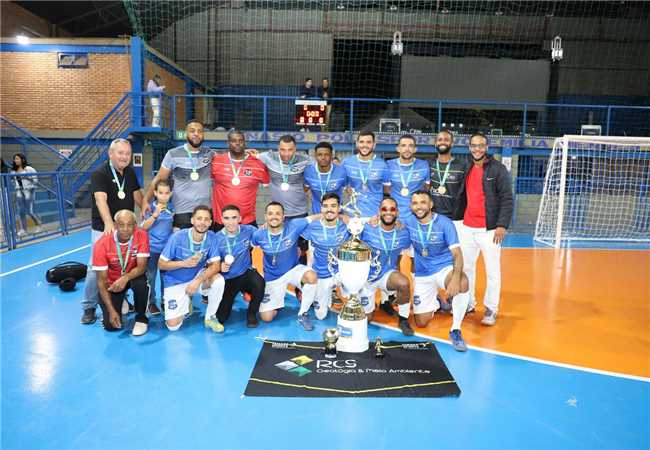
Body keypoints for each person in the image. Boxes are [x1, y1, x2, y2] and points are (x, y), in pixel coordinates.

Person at [81, 138, 143, 325]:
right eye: (120, 153)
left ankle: (120, 298)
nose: (124, 157)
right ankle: (89, 306)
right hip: (104, 230)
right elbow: (101, 200)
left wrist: (148, 209)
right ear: (111, 154)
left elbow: (136, 195)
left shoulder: (130, 173)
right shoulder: (100, 173)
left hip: (127, 229)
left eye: (127, 154)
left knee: (123, 265)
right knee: (95, 268)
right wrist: (109, 223)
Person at [457, 132, 513, 325]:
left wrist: (502, 225)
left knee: (492, 271)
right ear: (469, 147)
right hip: (467, 227)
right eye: (474, 145)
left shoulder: (498, 169)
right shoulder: (466, 166)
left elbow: (507, 198)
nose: (477, 149)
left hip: (489, 229)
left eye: (481, 145)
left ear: (487, 147)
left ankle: (491, 309)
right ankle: (468, 303)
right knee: (466, 268)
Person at [405, 190, 471, 352]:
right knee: (421, 322)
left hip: (443, 268)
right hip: (423, 274)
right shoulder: (408, 222)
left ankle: (455, 330)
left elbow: (457, 254)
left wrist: (455, 278)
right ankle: (437, 302)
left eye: (423, 202)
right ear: (410, 206)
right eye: (415, 203)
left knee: (462, 282)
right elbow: (389, 223)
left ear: (431, 205)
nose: (419, 207)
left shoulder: (445, 223)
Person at [251, 202, 319, 330]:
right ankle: (277, 304)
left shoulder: (293, 225)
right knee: (266, 318)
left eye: (278, 213)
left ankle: (303, 313)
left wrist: (341, 216)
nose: (274, 217)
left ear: (283, 216)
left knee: (311, 276)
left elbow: (314, 218)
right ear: (265, 216)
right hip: (273, 277)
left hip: (293, 270)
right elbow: (250, 247)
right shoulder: (258, 235)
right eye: (270, 214)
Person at [158, 205, 225, 332]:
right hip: (175, 280)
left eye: (206, 219)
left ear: (210, 222)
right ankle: (186, 303)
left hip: (196, 277)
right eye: (199, 218)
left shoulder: (212, 237)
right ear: (192, 220)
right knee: (173, 326)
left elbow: (216, 265)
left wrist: (198, 280)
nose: (203, 222)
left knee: (218, 280)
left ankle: (210, 317)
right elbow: (161, 264)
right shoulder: (177, 237)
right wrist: (184, 263)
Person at [142, 120, 214, 230]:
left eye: (200, 131)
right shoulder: (173, 154)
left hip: (204, 212)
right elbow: (159, 179)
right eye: (192, 131)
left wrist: (247, 154)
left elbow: (231, 158)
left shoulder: (210, 154)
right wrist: (145, 200)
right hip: (182, 212)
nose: (196, 134)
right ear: (186, 134)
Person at [360, 197, 413, 335]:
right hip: (366, 278)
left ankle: (403, 319)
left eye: (392, 209)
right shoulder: (367, 228)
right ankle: (369, 305)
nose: (388, 212)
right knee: (366, 320)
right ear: (379, 212)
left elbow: (404, 250)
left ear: (397, 213)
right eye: (384, 209)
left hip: (386, 274)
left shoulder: (403, 232)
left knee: (403, 282)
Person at [92, 210, 150, 336]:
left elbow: (142, 267)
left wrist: (125, 278)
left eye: (130, 224)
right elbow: (101, 283)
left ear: (135, 225)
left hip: (133, 276)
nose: (126, 229)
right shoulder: (101, 244)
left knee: (141, 284)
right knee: (111, 326)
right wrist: (111, 311)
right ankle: (120, 299)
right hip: (112, 283)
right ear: (115, 225)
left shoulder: (142, 235)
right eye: (121, 224)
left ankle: (141, 318)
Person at [258, 135, 312, 263]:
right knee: (278, 251)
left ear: (295, 149)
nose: (286, 153)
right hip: (278, 216)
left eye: (290, 150)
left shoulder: (305, 160)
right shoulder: (268, 157)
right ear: (278, 148)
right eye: (283, 149)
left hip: (299, 214)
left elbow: (323, 164)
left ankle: (301, 281)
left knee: (300, 252)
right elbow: (250, 156)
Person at [213, 205, 265, 328]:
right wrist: (219, 266)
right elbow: (209, 262)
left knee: (260, 282)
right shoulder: (216, 238)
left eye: (234, 218)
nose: (230, 222)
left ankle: (252, 314)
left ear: (240, 218)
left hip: (245, 273)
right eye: (226, 218)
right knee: (221, 317)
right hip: (228, 279)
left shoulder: (249, 230)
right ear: (222, 219)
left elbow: (264, 236)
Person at [301, 193, 350, 320]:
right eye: (325, 206)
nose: (329, 209)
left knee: (356, 282)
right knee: (321, 316)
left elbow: (369, 222)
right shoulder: (312, 227)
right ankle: (325, 294)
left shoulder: (347, 225)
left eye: (333, 206)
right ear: (321, 208)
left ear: (339, 208)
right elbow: (292, 231)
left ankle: (340, 293)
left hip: (342, 273)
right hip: (321, 274)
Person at [210, 129, 269, 230]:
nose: (237, 143)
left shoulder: (258, 164)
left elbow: (272, 186)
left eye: (241, 141)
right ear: (228, 143)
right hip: (221, 221)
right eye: (233, 141)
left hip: (247, 221)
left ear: (245, 142)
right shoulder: (216, 161)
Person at [140, 179, 174, 316]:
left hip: (166, 251)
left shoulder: (173, 209)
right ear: (155, 193)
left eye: (166, 193)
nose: (163, 196)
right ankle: (151, 302)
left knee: (166, 277)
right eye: (161, 193)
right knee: (151, 277)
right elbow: (143, 227)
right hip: (152, 249)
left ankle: (165, 300)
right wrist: (155, 215)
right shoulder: (150, 208)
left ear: (170, 194)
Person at [342, 131, 390, 218]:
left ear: (374, 144)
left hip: (375, 215)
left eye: (368, 142)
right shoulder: (346, 163)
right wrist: (348, 189)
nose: (365, 145)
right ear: (357, 144)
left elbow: (387, 192)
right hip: (353, 215)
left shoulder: (383, 165)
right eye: (361, 142)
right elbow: (343, 185)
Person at [387, 135, 430, 221]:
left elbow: (427, 188)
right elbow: (386, 189)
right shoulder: (388, 165)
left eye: (410, 146)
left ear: (415, 149)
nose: (407, 149)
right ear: (398, 148)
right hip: (395, 215)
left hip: (416, 215)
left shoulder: (424, 165)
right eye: (403, 145)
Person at [303, 142, 347, 213]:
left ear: (331, 155)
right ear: (315, 156)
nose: (323, 158)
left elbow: (349, 191)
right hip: (317, 214)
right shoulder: (308, 171)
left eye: (326, 155)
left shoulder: (342, 172)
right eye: (320, 155)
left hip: (336, 214)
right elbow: (304, 190)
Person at [11, 153, 42, 237]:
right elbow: (13, 181)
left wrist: (26, 178)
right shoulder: (13, 171)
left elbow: (36, 180)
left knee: (29, 211)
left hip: (29, 191)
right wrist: (16, 187)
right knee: (21, 212)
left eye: (17, 159)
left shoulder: (29, 169)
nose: (16, 160)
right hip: (19, 192)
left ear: (23, 160)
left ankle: (38, 225)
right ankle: (23, 230)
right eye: (15, 159)